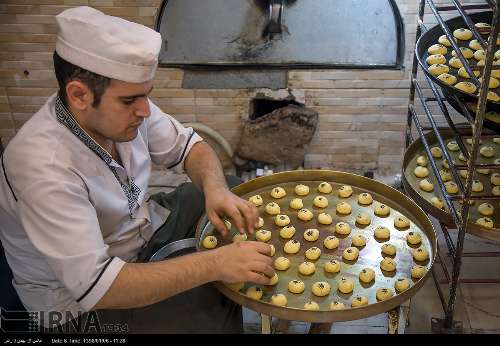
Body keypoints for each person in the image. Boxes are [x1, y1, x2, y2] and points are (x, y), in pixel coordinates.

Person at [0, 6, 274, 333]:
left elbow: (191, 149)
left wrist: (215, 189)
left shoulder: (125, 107)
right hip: (79, 308)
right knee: (209, 306)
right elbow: (100, 288)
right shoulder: (42, 167)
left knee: (228, 190)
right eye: (130, 100)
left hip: (140, 231)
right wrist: (214, 265)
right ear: (79, 95)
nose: (144, 111)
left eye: (147, 96)